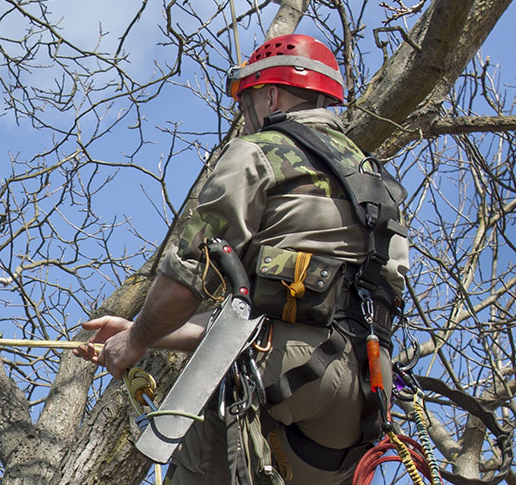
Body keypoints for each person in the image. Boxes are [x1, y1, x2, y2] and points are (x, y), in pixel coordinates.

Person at [74, 33, 410, 484]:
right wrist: (147, 334)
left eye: (246, 103)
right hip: (365, 396)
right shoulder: (379, 185)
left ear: (270, 94)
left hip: (282, 375)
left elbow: (190, 274)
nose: (245, 118)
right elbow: (279, 318)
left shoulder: (260, 151)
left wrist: (135, 342)